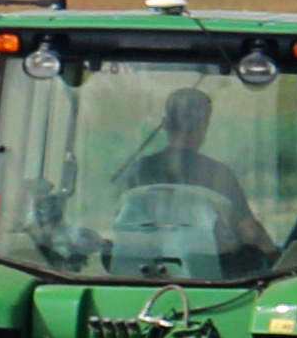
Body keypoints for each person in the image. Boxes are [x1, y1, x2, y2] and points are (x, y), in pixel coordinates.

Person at [108, 83, 265, 259]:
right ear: (204, 126)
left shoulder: (137, 171)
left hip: (137, 275)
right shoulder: (218, 174)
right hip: (210, 280)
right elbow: (249, 232)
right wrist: (274, 255)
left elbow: (120, 229)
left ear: (166, 124)